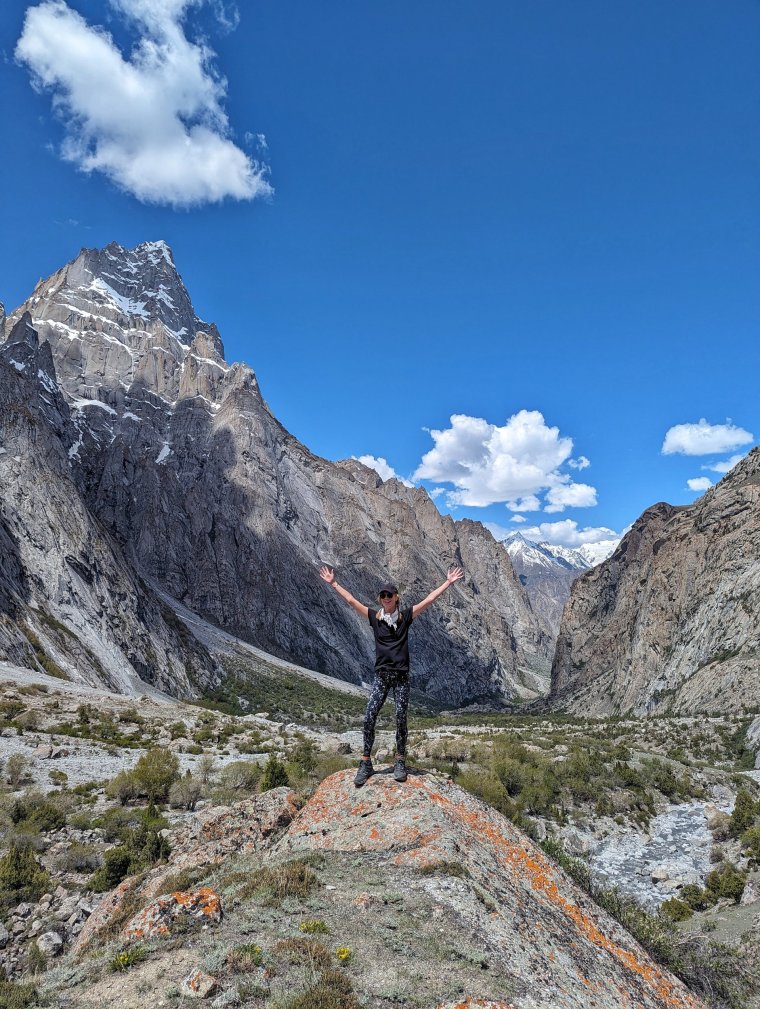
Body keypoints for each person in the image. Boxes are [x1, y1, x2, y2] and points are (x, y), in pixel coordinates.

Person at [318, 564, 465, 786]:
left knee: (400, 719)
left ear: (397, 598)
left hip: (401, 678)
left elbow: (428, 601)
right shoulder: (375, 619)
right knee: (369, 716)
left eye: (390, 595)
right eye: (383, 595)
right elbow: (350, 600)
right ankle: (366, 762)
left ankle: (400, 761)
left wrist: (448, 582)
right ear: (380, 599)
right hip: (382, 677)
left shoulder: (405, 618)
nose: (386, 598)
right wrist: (333, 583)